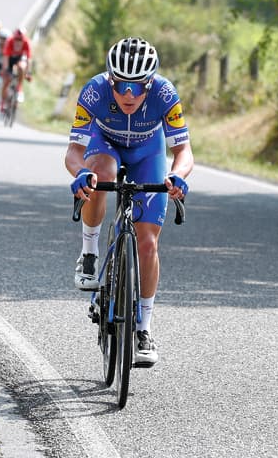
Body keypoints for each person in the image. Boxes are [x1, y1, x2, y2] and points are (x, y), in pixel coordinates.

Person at [66, 37, 193, 366]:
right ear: (111, 79)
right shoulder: (94, 91)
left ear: (150, 84)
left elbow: (183, 151)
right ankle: (90, 252)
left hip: (147, 153)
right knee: (99, 174)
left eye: (137, 87)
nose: (128, 95)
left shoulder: (165, 94)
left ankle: (143, 329)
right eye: (121, 85)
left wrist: (178, 176)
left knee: (148, 243)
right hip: (104, 145)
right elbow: (73, 153)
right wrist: (80, 173)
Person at [0, 27, 32, 114]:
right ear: (14, 38)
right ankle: (2, 104)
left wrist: (28, 73)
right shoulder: (9, 41)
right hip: (9, 59)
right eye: (16, 39)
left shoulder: (26, 43)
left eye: (20, 40)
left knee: (22, 67)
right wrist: (6, 70)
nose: (18, 42)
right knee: (6, 82)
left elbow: (28, 59)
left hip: (19, 59)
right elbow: (5, 58)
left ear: (23, 39)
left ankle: (19, 89)